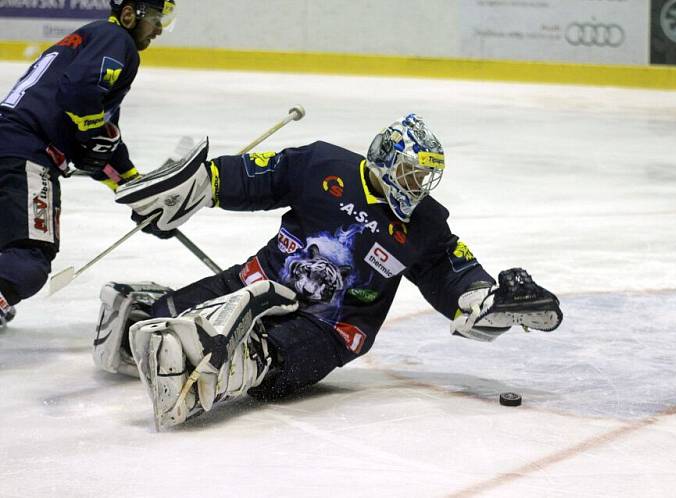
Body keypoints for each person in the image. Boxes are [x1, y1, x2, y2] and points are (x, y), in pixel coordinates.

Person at [94, 114, 564, 429]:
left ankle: (235, 358)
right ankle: (149, 309)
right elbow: (258, 176)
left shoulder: (424, 223)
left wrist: (482, 300)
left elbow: (451, 270)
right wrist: (199, 185)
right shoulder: (323, 165)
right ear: (384, 158)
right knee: (150, 327)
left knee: (268, 366)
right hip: (255, 280)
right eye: (410, 174)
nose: (416, 187)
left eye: (424, 178)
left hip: (331, 328)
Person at [0, 0, 176, 327]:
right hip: (25, 153)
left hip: (10, 142)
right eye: (154, 18)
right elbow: (80, 93)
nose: (159, 28)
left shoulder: (93, 40)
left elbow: (101, 147)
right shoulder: (116, 39)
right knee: (29, 261)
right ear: (128, 15)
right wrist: (92, 132)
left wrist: (138, 193)